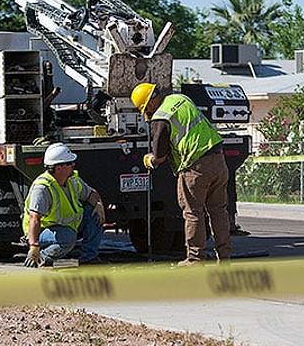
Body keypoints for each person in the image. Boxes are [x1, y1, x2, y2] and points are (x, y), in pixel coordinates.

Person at [130, 82, 232, 266]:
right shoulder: (180, 98)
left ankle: (195, 258)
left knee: (193, 213)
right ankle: (224, 257)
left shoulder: (160, 118)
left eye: (146, 108)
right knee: (218, 211)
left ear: (151, 102)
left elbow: (160, 156)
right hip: (218, 160)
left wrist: (149, 160)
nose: (148, 113)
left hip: (195, 166)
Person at [23, 143, 106, 267]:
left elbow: (91, 194)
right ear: (58, 168)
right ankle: (42, 256)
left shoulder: (72, 180)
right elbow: (34, 219)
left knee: (94, 214)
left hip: (68, 226)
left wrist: (98, 204)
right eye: (69, 163)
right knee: (68, 237)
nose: (73, 165)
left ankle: (89, 258)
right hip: (42, 232)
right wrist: (33, 246)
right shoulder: (43, 188)